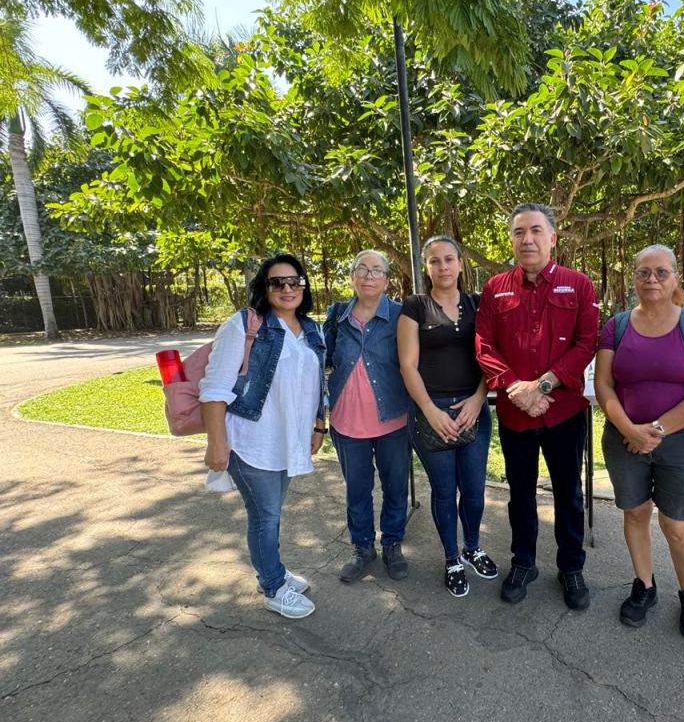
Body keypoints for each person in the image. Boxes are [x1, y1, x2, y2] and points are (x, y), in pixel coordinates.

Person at [475, 203, 599, 610]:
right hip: (516, 415)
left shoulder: (578, 285)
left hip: (564, 412)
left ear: (552, 238)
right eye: (518, 232)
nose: (527, 239)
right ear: (511, 239)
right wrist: (517, 388)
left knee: (569, 493)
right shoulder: (495, 289)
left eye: (535, 231)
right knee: (521, 494)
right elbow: (484, 345)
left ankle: (571, 567)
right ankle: (523, 562)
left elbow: (587, 343)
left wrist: (542, 385)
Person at [594, 245, 684, 639]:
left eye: (661, 272)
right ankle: (644, 585)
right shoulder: (616, 326)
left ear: (675, 277)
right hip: (624, 439)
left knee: (676, 525)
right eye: (644, 272)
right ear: (634, 278)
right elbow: (604, 385)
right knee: (635, 514)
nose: (652, 279)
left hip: (680, 444)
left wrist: (656, 431)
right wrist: (630, 430)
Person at [200, 254, 327, 619]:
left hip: (287, 442)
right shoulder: (245, 325)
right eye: (277, 282)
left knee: (271, 513)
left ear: (303, 286)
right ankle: (272, 586)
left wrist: (319, 425)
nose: (287, 288)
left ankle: (275, 570)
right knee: (265, 517)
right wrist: (217, 443)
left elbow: (318, 383)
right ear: (264, 287)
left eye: (294, 281)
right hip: (251, 441)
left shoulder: (311, 330)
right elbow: (214, 388)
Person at [398, 235, 497, 598]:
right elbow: (408, 365)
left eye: (449, 259)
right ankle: (452, 558)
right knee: (444, 490)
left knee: (474, 489)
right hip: (431, 411)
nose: (443, 267)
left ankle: (472, 547)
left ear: (460, 263)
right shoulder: (415, 306)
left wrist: (478, 399)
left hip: (473, 410)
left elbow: (491, 358)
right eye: (434, 261)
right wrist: (430, 410)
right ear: (426, 267)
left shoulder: (478, 304)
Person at [325, 250, 411, 583]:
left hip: (393, 420)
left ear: (387, 280)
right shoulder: (337, 316)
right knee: (357, 491)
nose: (369, 275)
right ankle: (362, 548)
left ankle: (392, 544)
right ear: (352, 277)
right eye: (362, 268)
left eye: (377, 270)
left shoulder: (402, 316)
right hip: (346, 422)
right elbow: (321, 361)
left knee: (395, 487)